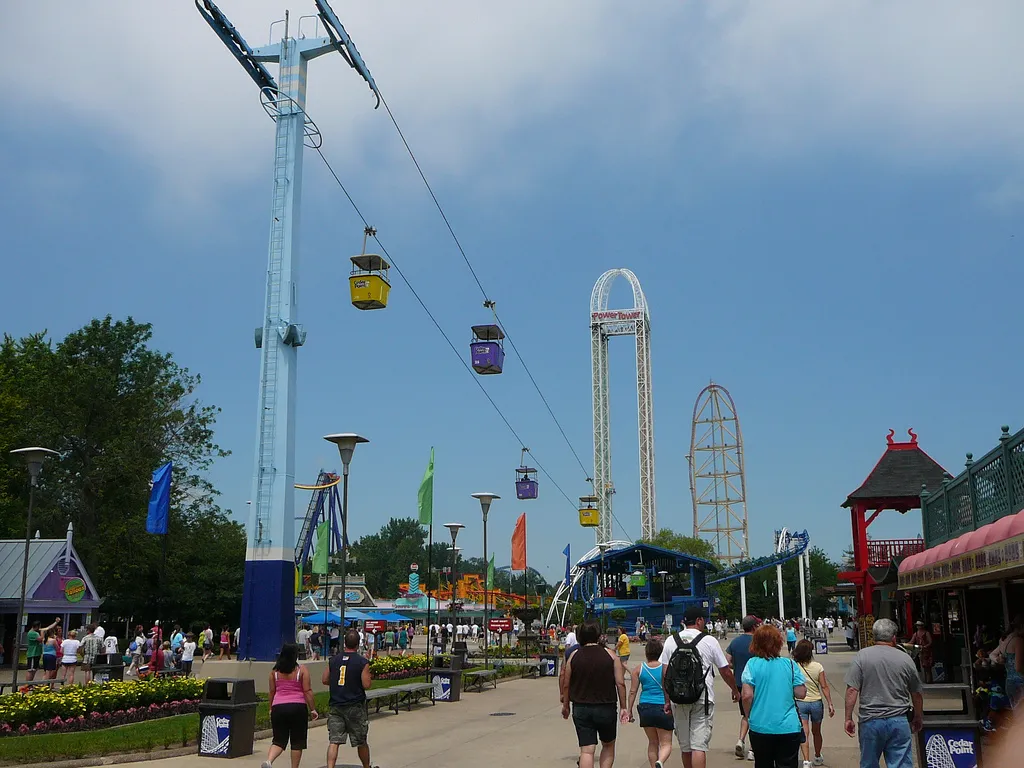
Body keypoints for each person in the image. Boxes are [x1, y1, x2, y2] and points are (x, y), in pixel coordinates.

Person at [660, 604, 736, 768]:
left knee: (686, 747)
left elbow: (665, 674)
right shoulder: (709, 641)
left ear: (684, 622)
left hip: (678, 699)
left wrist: (667, 700)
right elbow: (725, 671)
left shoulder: (671, 640)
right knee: (698, 747)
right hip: (702, 697)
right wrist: (734, 689)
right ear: (700, 621)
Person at [844, 618, 922, 768]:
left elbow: (852, 689)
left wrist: (848, 718)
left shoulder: (862, 656)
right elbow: (916, 693)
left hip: (870, 721)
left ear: (874, 637)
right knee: (901, 764)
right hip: (899, 720)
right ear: (894, 637)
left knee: (869, 763)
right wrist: (918, 716)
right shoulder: (905, 659)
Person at [560, 620, 628, 768]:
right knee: (608, 746)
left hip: (581, 707)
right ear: (598, 635)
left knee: (586, 750)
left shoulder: (574, 656)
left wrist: (566, 705)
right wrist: (624, 707)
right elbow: (620, 683)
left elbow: (566, 683)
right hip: (606, 707)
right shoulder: (611, 656)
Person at [740, 624, 806, 768]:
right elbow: (801, 693)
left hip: (760, 725)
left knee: (763, 763)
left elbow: (746, 695)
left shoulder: (752, 664)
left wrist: (748, 715)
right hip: (788, 726)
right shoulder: (790, 664)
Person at [322, 630, 373, 768]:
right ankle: (366, 766)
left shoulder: (333, 660)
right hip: (355, 705)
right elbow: (366, 684)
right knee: (361, 740)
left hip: (336, 705)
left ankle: (330, 766)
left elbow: (325, 679)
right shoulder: (362, 662)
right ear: (358, 644)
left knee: (334, 741)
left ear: (345, 642)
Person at [262, 643, 318, 768]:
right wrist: (313, 709)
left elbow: (272, 691)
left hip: (278, 707)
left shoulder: (274, 672)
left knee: (278, 740)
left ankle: (269, 761)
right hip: (297, 707)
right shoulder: (301, 670)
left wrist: (271, 708)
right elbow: (307, 691)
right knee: (297, 741)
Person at [627, 636, 674, 768]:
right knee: (666, 743)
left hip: (645, 707)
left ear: (647, 652)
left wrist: (629, 710)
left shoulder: (638, 669)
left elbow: (633, 691)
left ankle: (654, 766)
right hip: (663, 706)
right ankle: (661, 761)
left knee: (653, 742)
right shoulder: (666, 668)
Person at [792, 639, 835, 768]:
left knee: (804, 732)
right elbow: (824, 686)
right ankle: (817, 755)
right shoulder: (818, 666)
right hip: (816, 702)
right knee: (817, 731)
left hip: (801, 702)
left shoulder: (794, 665)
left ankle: (806, 760)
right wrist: (830, 703)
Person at [727, 615, 759, 761]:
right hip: (757, 683)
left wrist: (737, 666)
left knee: (746, 715)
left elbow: (727, 661)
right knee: (757, 716)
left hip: (740, 683)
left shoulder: (735, 642)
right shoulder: (758, 642)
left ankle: (740, 739)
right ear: (753, 627)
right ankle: (753, 749)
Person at [1002, 614, 1023, 706]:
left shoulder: (1005, 641)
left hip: (1009, 682)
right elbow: (1018, 668)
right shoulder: (1018, 641)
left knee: (1018, 716)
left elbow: (994, 655)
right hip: (1020, 682)